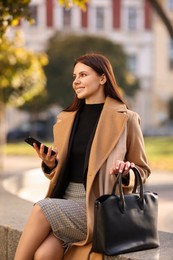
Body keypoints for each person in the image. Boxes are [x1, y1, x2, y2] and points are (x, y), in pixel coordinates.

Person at [14, 53, 151, 260]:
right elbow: (62, 173)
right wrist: (51, 165)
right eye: (74, 76)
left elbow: (142, 169)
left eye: (83, 75)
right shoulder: (66, 119)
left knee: (41, 208)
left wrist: (125, 173)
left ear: (103, 78)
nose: (76, 81)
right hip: (65, 202)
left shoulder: (126, 119)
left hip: (98, 209)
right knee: (44, 254)